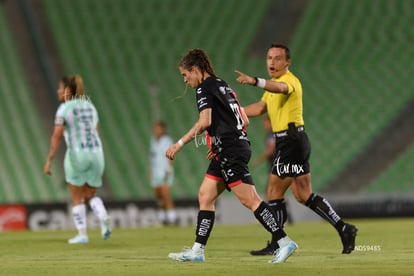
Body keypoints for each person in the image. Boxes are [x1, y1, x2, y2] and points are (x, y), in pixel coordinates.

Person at [165, 48, 297, 263]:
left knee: (251, 200)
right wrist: (219, 142)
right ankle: (197, 251)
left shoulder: (204, 89)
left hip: (230, 150)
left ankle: (284, 241)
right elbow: (244, 120)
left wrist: (179, 144)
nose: (185, 80)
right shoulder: (224, 85)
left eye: (185, 74)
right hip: (230, 147)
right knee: (205, 196)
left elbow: (205, 121)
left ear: (196, 69)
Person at [235, 44, 357, 255]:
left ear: (287, 62)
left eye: (278, 58)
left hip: (291, 141)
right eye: (269, 57)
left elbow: (281, 89)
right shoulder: (272, 86)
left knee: (274, 191)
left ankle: (278, 242)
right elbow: (260, 108)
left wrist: (255, 81)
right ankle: (344, 228)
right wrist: (235, 111)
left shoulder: (289, 81)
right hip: (294, 142)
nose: (272, 62)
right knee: (302, 194)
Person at [44, 75, 111, 244]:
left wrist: (49, 159)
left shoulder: (64, 108)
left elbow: (57, 135)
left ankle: (82, 234)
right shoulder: (90, 106)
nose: (58, 91)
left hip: (77, 153)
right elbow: (96, 130)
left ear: (67, 90)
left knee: (77, 197)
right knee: (90, 194)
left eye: (60, 88)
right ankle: (103, 215)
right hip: (97, 153)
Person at [149, 120, 177, 225]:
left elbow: (171, 155)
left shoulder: (167, 140)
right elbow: (152, 156)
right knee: (158, 195)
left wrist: (169, 169)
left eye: (157, 128)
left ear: (163, 129)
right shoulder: (153, 140)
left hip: (165, 171)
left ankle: (172, 218)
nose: (155, 130)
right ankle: (162, 218)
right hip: (156, 171)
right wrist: (151, 170)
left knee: (165, 194)